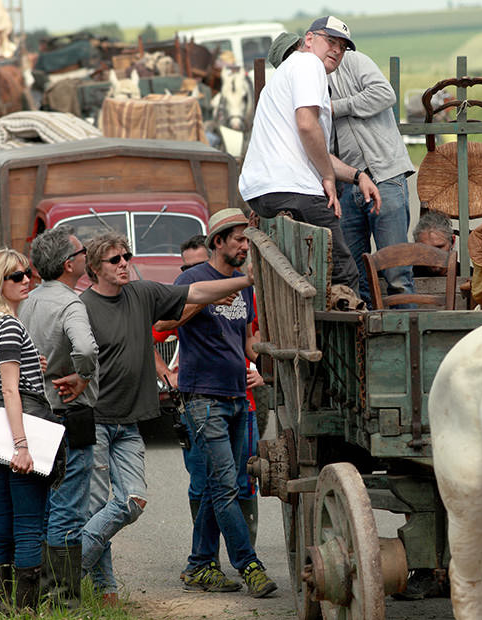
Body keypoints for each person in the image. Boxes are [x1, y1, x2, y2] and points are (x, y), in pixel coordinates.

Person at [79, 231, 260, 604]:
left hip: (129, 422)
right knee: (97, 508)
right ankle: (96, 585)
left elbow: (192, 296)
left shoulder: (141, 294)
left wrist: (248, 280)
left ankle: (69, 570)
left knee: (133, 500)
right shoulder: (81, 307)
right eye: (115, 259)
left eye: (126, 256)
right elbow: (67, 352)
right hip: (94, 419)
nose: (125, 263)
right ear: (95, 268)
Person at [165, 209, 277, 597]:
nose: (245, 246)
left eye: (247, 241)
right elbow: (163, 324)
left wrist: (263, 366)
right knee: (226, 487)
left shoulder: (244, 286)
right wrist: (204, 301)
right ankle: (250, 565)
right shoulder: (192, 279)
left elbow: (246, 342)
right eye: (239, 240)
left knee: (221, 485)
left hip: (237, 398)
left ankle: (199, 565)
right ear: (218, 241)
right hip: (203, 398)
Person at [269, 30, 417, 304]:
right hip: (345, 185)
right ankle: (367, 340)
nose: (298, 62)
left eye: (298, 53)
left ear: (307, 45)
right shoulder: (297, 90)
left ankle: (405, 342)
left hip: (383, 174)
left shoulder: (351, 62)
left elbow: (385, 94)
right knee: (354, 273)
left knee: (396, 272)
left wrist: (334, 108)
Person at [239, 16, 382, 300]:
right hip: (294, 189)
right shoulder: (308, 64)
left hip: (264, 191)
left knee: (305, 272)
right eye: (330, 41)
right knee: (342, 271)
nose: (337, 50)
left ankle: (309, 330)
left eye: (342, 47)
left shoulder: (283, 76)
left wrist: (357, 176)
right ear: (308, 40)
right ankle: (336, 344)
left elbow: (314, 149)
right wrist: (327, 178)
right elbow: (307, 124)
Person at [0, 248, 63, 613]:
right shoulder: (9, 325)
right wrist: (21, 446)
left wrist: (29, 366)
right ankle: (26, 609)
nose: (27, 280)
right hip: (17, 431)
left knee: (2, 524)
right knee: (28, 525)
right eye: (16, 276)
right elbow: (9, 390)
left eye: (27, 273)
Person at [18, 227, 99, 608]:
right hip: (67, 413)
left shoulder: (28, 301)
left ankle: (35, 594)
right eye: (83, 252)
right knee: (68, 505)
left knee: (44, 503)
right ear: (70, 264)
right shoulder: (70, 304)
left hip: (32, 413)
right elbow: (84, 347)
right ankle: (63, 600)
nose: (87, 256)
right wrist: (83, 377)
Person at [413, 210, 457, 277]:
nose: (433, 255)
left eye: (439, 247)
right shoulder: (408, 276)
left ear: (452, 241)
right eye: (425, 249)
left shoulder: (469, 275)